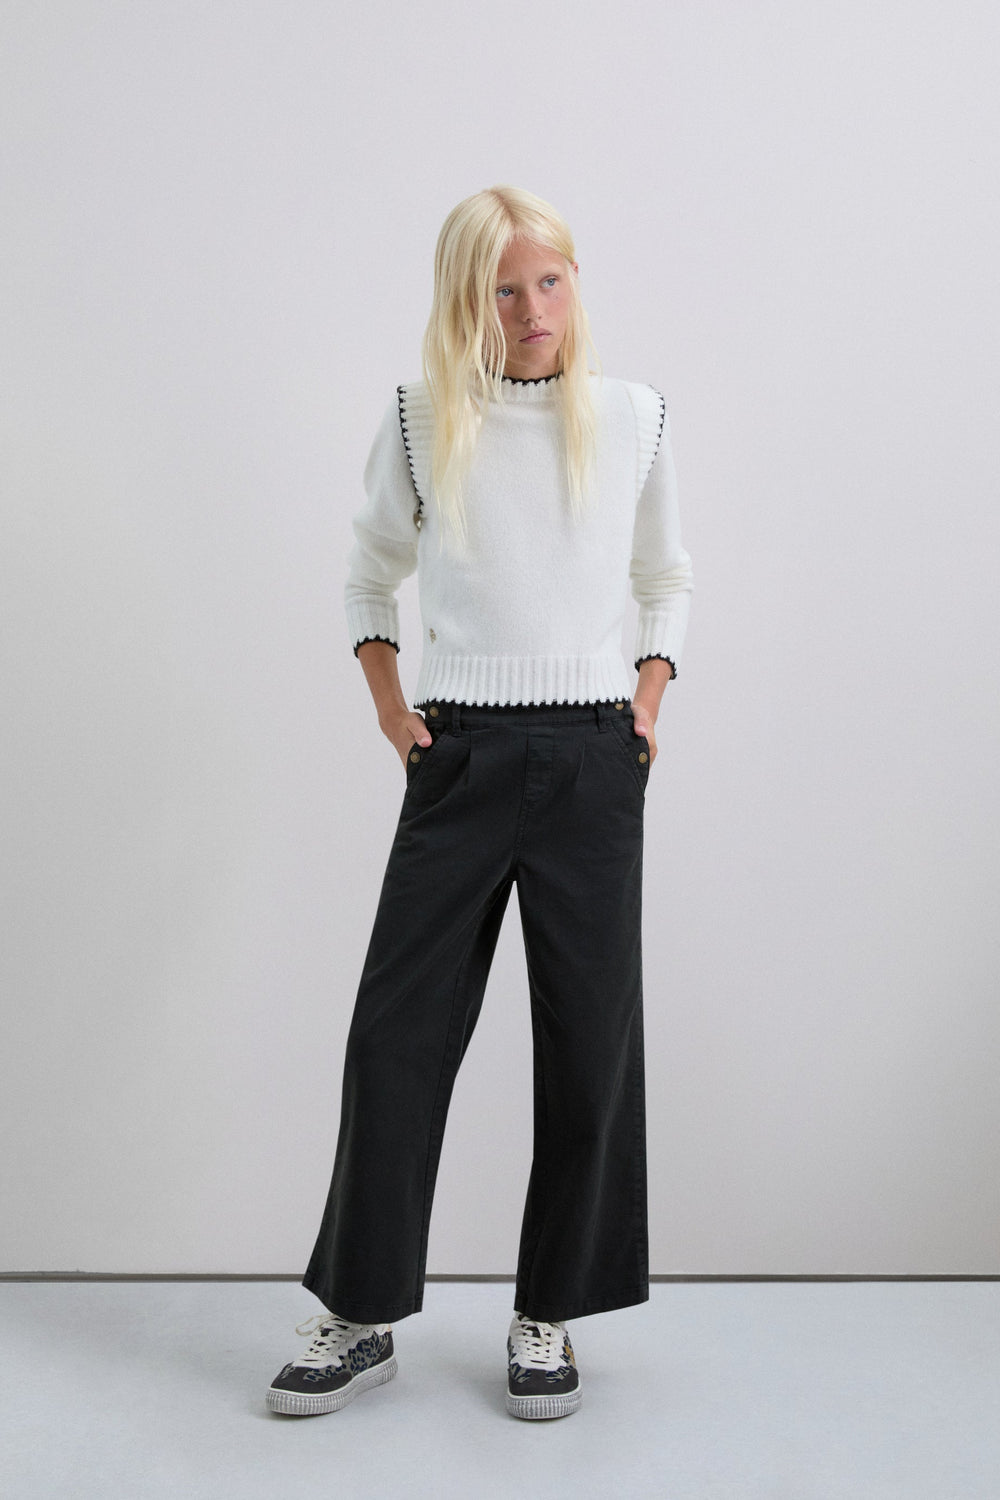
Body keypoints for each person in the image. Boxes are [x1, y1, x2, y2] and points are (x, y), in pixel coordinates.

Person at [266, 185, 693, 1422]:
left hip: (593, 760)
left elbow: (665, 575)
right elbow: (367, 573)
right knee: (395, 1038)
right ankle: (359, 1313)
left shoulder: (632, 417)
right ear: (468, 300)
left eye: (548, 281)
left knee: (589, 1045)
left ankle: (547, 1313)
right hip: (457, 758)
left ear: (575, 282)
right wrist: (389, 710)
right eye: (503, 289)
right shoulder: (420, 418)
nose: (530, 309)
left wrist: (647, 702)